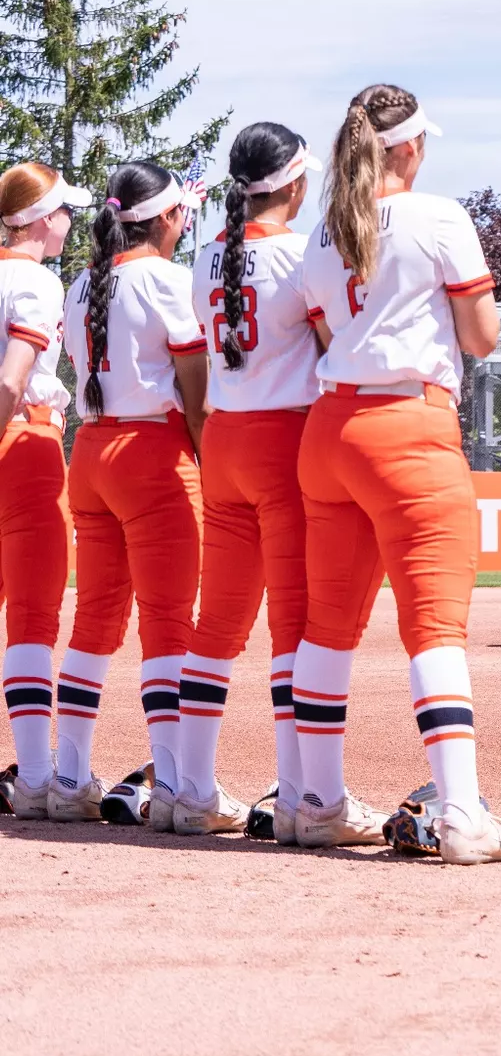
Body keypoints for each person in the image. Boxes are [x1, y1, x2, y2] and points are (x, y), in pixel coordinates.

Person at [295, 84, 501, 863]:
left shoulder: (320, 235)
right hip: (408, 426)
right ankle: (461, 815)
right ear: (409, 147)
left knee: (327, 628)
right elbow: (482, 338)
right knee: (434, 627)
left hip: (330, 430)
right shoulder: (438, 217)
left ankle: (316, 803)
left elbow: (329, 335)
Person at [51, 162, 208, 827]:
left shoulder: (82, 282)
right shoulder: (170, 280)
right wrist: (210, 457)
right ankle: (173, 783)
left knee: (93, 619)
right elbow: (196, 390)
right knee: (168, 620)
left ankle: (66, 775)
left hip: (90, 451)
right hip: (152, 452)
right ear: (166, 217)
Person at [178, 123, 323, 838]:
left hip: (226, 438)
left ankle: (189, 788)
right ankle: (299, 795)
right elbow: (334, 343)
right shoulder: (302, 252)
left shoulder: (208, 254)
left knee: (218, 621)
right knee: (293, 621)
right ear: (293, 181)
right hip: (283, 440)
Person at [0, 163, 88, 819]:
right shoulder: (36, 280)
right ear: (36, 220)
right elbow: (13, 379)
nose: (69, 223)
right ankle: (34, 777)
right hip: (23, 443)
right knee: (33, 614)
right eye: (63, 212)